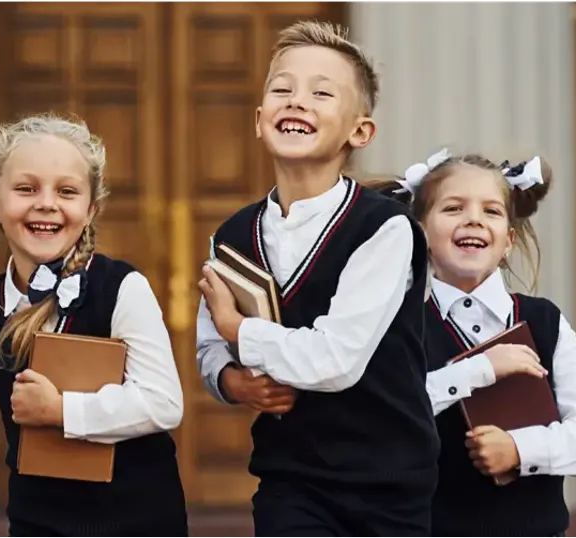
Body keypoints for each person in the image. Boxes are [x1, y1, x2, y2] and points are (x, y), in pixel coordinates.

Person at [195, 20, 438, 538]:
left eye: (321, 93)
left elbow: (335, 361)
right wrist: (233, 382)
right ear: (260, 121)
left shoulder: (384, 229)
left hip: (388, 484)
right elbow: (208, 346)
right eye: (282, 89)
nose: (297, 101)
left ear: (360, 131)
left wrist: (241, 331)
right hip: (292, 480)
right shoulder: (231, 236)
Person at [0, 113, 190, 538]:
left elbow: (164, 402)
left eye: (67, 191)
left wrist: (62, 411)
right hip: (38, 521)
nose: (47, 203)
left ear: (90, 210)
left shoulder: (122, 289)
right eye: (26, 189)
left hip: (140, 519)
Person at [373, 148, 576, 538]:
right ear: (421, 233)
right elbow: (383, 418)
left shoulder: (544, 322)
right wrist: (477, 372)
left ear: (507, 240)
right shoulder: (398, 325)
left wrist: (520, 449)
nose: (473, 218)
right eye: (453, 208)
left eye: (490, 211)